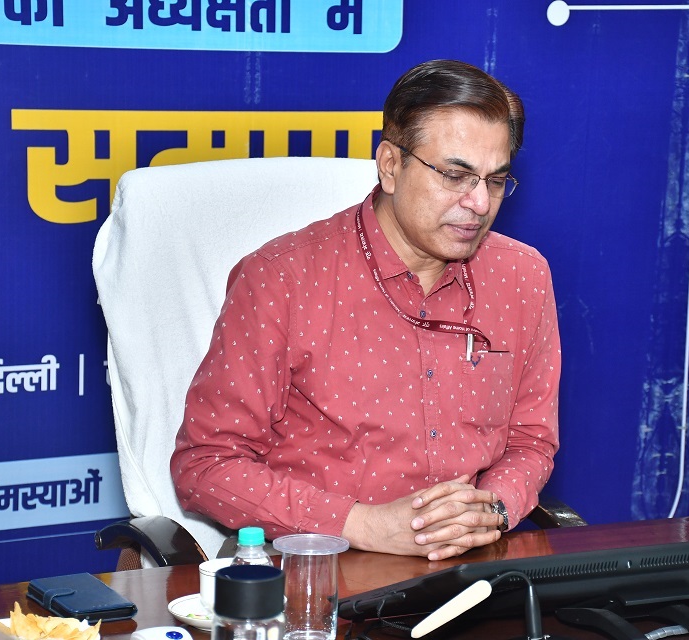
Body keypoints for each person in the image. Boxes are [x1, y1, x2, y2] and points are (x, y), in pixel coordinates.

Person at [171, 59, 560, 561]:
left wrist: (491, 510)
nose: (481, 203)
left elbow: (531, 441)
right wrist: (362, 525)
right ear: (391, 165)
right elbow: (206, 465)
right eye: (456, 175)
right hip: (317, 567)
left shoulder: (523, 277)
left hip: (473, 565)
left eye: (497, 180)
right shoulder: (280, 279)